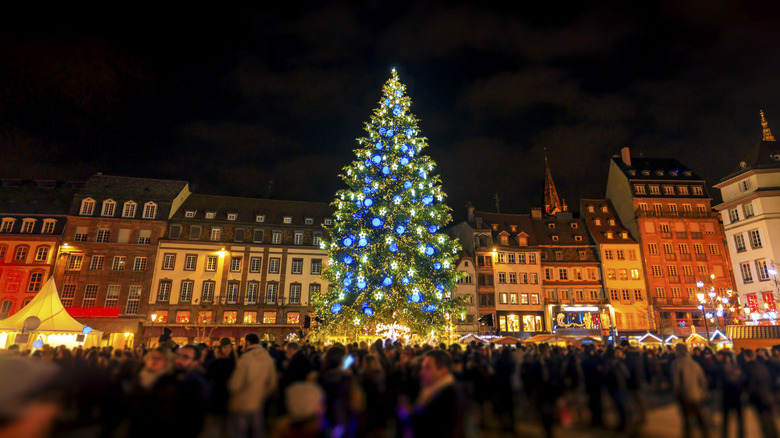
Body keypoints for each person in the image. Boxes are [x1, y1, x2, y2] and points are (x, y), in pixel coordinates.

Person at [406, 350, 464, 438]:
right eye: (423, 367)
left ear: (443, 371)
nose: (422, 372)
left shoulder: (446, 399)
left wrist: (406, 416)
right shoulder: (433, 392)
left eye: (428, 368)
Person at [228, 333, 278, 438]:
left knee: (239, 432)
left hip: (242, 403)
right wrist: (261, 395)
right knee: (257, 432)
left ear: (247, 342)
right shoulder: (268, 358)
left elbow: (235, 384)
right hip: (258, 403)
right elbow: (272, 383)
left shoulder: (245, 358)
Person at [670, 343, 709, 438]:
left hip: (684, 396)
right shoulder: (694, 363)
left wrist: (676, 394)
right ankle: (706, 434)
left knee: (687, 420)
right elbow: (703, 380)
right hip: (696, 395)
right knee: (700, 418)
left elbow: (676, 382)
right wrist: (701, 393)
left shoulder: (676, 364)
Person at [743, 349, 778, 438]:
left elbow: (750, 385)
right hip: (768, 395)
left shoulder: (747, 368)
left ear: (746, 357)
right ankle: (774, 434)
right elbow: (771, 380)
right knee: (770, 418)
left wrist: (750, 396)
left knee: (763, 420)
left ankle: (769, 435)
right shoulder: (762, 366)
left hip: (759, 397)